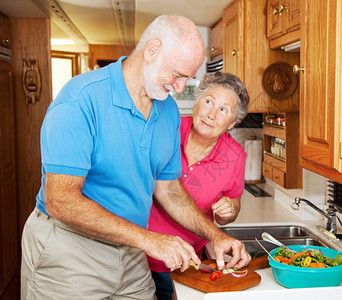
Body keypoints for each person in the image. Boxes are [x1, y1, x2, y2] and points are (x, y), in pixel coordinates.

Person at [20, 15, 251, 300]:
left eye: (187, 79)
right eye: (177, 75)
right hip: (70, 250)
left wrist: (215, 234)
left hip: (131, 253)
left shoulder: (167, 112)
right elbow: (61, 199)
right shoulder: (81, 99)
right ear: (152, 50)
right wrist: (149, 239)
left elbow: (168, 188)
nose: (180, 89)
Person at [147, 72, 250, 299]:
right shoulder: (166, 131)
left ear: (232, 123)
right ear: (197, 102)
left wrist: (228, 212)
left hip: (186, 262)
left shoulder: (235, 157)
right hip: (138, 253)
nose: (211, 114)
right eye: (209, 102)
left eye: (223, 110)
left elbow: (233, 206)